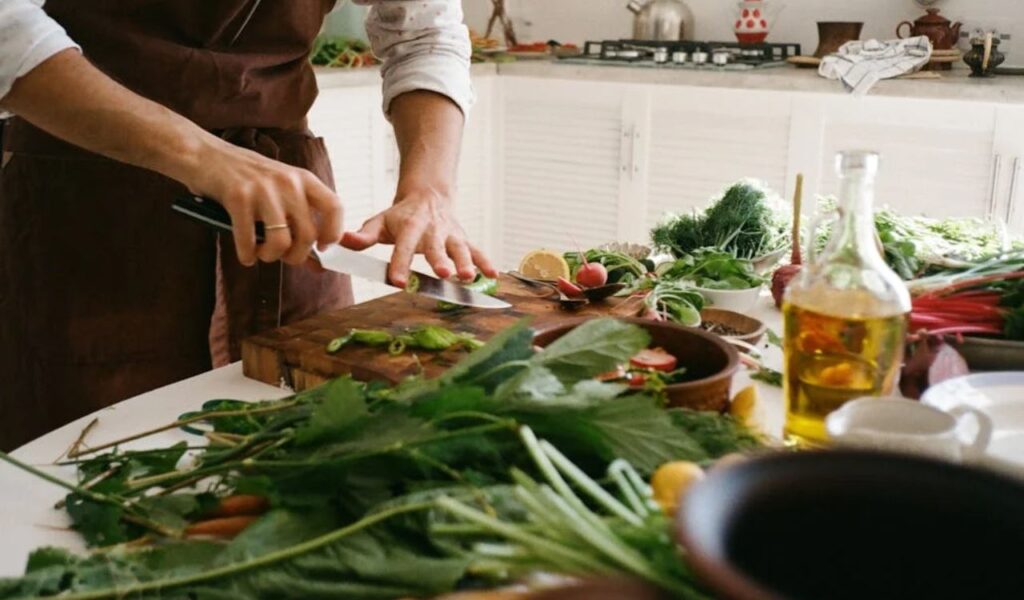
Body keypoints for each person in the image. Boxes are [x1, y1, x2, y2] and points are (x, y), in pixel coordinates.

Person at [0, 0, 497, 450]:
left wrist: (428, 189)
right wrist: (201, 154)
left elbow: (424, 31)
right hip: (84, 209)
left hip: (289, 218)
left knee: (312, 447)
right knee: (84, 463)